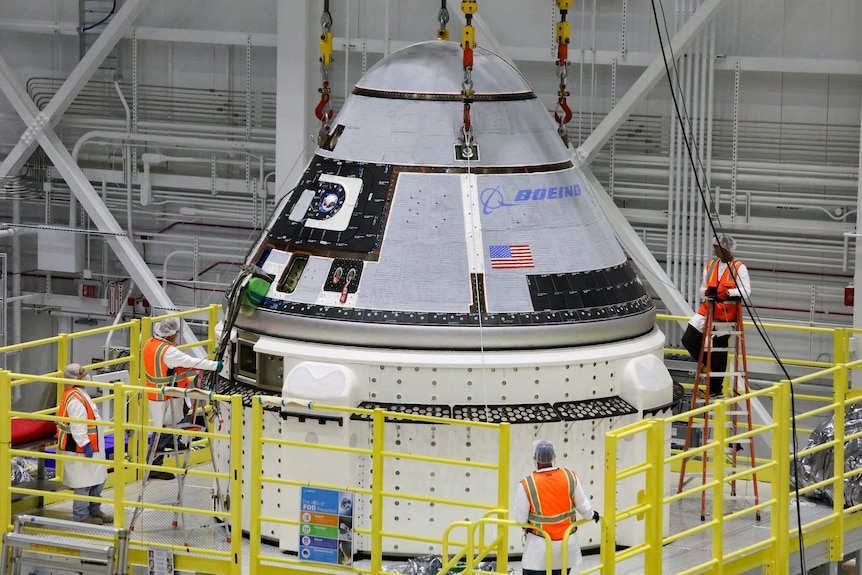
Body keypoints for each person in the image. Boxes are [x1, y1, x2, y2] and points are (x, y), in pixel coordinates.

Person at [143, 317, 222, 480]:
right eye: (176, 333)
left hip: (161, 393)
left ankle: (171, 442)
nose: (177, 335)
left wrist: (197, 367)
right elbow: (186, 360)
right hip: (165, 395)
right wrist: (215, 365)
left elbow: (177, 365)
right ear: (170, 334)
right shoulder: (168, 351)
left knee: (173, 421)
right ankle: (153, 466)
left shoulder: (151, 343)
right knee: (163, 429)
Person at [513, 440, 599, 575]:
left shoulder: (527, 484)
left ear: (535, 458)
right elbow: (584, 507)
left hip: (539, 548)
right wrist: (592, 515)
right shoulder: (569, 476)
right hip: (566, 544)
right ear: (554, 457)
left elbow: (521, 519)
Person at [681, 233, 751, 396]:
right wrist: (707, 292)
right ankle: (707, 362)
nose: (714, 250)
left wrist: (727, 293)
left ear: (726, 248)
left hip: (726, 315)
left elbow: (746, 290)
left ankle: (714, 390)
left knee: (720, 350)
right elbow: (702, 289)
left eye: (717, 247)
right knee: (689, 338)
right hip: (708, 310)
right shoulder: (711, 265)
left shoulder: (739, 267)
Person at [56, 363, 112, 524]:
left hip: (92, 446)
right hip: (80, 447)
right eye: (82, 373)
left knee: (97, 480)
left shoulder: (79, 393)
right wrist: (85, 444)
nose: (86, 375)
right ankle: (81, 515)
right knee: (83, 483)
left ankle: (95, 511)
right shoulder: (75, 399)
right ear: (75, 378)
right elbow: (78, 425)